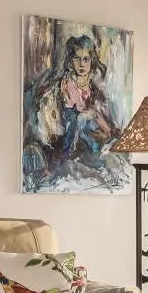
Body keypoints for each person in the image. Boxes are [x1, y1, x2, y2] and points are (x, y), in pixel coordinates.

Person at [25, 34, 124, 186]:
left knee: (92, 122)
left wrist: (108, 129)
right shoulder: (67, 83)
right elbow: (77, 113)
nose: (81, 64)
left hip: (84, 135)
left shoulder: (92, 88)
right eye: (77, 58)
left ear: (92, 61)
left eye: (86, 59)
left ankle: (97, 151)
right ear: (71, 61)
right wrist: (92, 115)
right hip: (64, 135)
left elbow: (97, 115)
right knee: (79, 119)